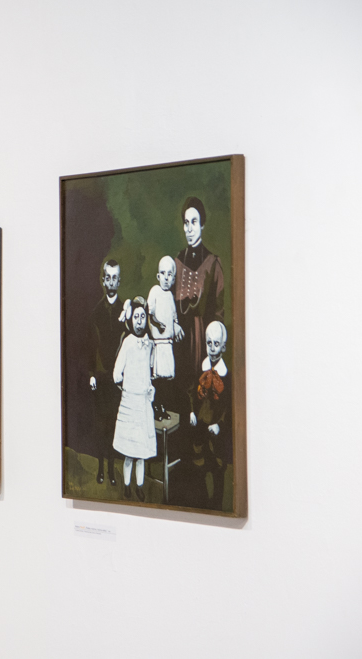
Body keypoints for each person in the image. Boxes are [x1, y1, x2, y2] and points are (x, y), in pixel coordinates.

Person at [173, 197, 224, 417]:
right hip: (180, 342)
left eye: (194, 222)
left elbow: (218, 313)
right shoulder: (177, 262)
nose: (189, 228)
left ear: (202, 224)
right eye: (186, 223)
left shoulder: (213, 263)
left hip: (204, 342)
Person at [182, 320, 232, 510]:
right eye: (209, 343)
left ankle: (216, 504)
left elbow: (227, 406)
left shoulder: (225, 375)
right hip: (201, 426)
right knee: (199, 465)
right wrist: (191, 411)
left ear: (223, 347)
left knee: (217, 467)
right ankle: (201, 502)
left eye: (216, 344)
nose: (212, 348)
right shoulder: (201, 368)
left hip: (215, 429)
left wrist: (220, 424)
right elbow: (191, 392)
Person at [112, 297, 155, 502]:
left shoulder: (149, 344)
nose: (139, 321)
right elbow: (116, 373)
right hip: (130, 403)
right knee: (129, 452)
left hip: (143, 404)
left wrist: (149, 388)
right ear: (131, 319)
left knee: (141, 452)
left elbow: (151, 370)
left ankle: (139, 486)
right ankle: (127, 485)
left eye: (142, 317)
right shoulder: (128, 342)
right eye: (136, 317)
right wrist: (126, 387)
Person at [86, 260, 125, 485]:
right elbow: (90, 347)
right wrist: (91, 373)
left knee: (113, 425)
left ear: (119, 281)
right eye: (107, 277)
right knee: (100, 426)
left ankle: (111, 470)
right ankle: (101, 468)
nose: (111, 282)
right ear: (103, 280)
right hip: (101, 378)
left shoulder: (125, 312)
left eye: (114, 278)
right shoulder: (96, 313)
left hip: (118, 379)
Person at [147, 255, 184, 420]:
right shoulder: (155, 291)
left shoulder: (170, 297)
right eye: (163, 273)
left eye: (170, 274)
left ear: (174, 279)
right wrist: (157, 323)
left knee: (166, 381)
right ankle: (156, 408)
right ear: (158, 276)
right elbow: (149, 314)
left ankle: (163, 407)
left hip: (168, 345)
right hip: (158, 345)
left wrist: (176, 326)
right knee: (157, 380)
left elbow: (174, 318)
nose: (166, 278)